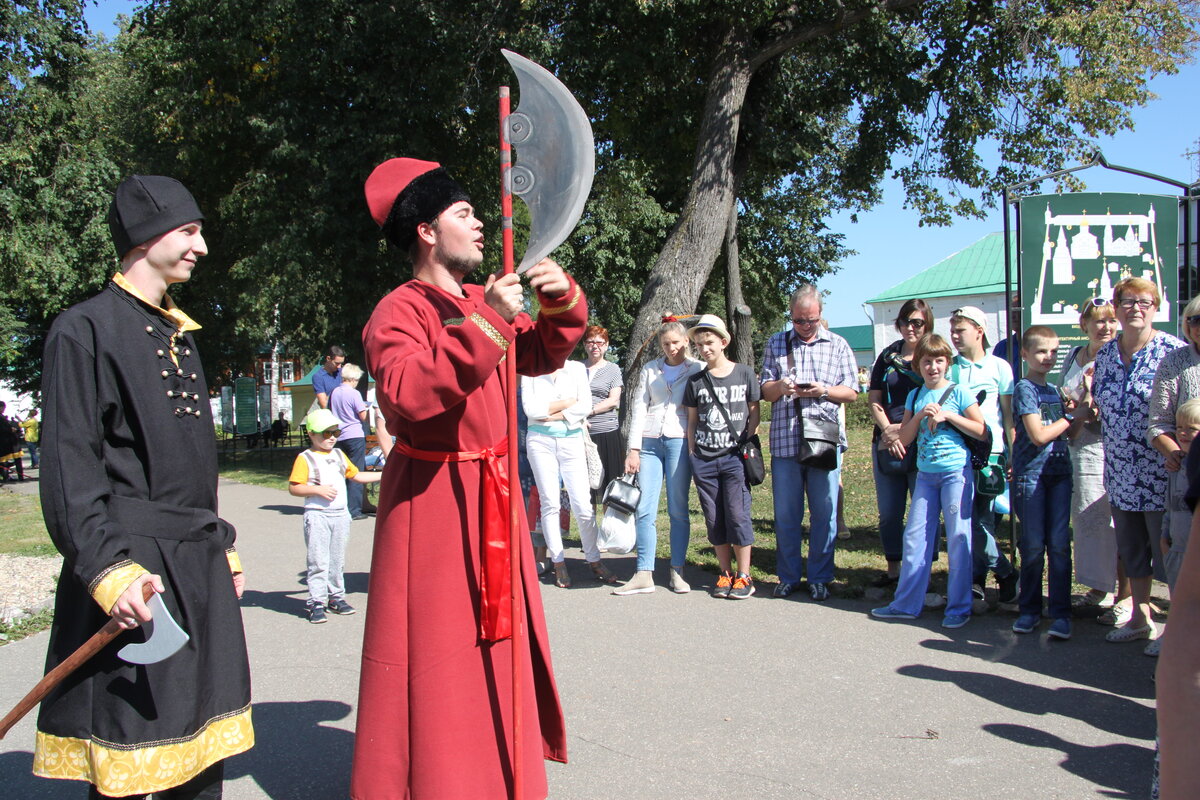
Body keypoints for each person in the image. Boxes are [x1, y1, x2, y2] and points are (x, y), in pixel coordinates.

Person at [355, 157, 584, 798]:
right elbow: (406, 392)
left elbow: (539, 351)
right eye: (464, 214)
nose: (482, 224)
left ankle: (497, 777)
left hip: (493, 496)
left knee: (497, 649)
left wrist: (559, 300)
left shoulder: (485, 303)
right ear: (427, 231)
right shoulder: (397, 309)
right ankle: (441, 780)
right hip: (430, 505)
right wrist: (486, 320)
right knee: (439, 659)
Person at [34, 175, 252, 798]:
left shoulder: (180, 335)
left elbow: (191, 467)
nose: (201, 247)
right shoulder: (83, 330)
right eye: (189, 231)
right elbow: (71, 469)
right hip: (133, 569)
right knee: (131, 755)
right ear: (144, 235)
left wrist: (222, 544)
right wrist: (109, 571)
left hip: (195, 563)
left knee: (200, 749)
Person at [1092, 277, 1185, 644]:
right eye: (1127, 301)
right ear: (1115, 308)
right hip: (1120, 473)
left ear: (1156, 308)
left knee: (1169, 555)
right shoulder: (1105, 356)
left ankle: (1176, 631)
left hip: (1164, 473)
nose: (1135, 308)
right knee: (1132, 552)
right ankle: (1139, 619)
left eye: (1144, 302)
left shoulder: (1173, 352)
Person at [870, 333, 985, 628]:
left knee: (958, 538)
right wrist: (921, 414)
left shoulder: (960, 391)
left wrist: (949, 416)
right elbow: (905, 438)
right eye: (926, 361)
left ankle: (959, 608)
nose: (933, 367)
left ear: (947, 363)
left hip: (955, 474)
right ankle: (906, 604)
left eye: (938, 361)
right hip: (925, 474)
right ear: (919, 365)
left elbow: (980, 430)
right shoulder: (915, 395)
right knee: (915, 536)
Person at [760, 284, 859, 601]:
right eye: (798, 320)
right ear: (791, 316)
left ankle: (820, 576)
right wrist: (782, 386)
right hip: (786, 441)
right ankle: (788, 576)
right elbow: (765, 391)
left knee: (824, 513)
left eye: (811, 320)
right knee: (787, 515)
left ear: (820, 315)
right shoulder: (777, 342)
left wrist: (823, 391)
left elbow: (853, 392)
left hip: (823, 439)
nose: (804, 326)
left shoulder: (838, 344)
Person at [618, 318, 703, 595]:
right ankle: (644, 571)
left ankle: (677, 570)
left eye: (676, 343)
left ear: (686, 342)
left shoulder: (697, 369)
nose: (671, 348)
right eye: (666, 344)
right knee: (645, 508)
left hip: (680, 440)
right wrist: (633, 448)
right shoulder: (650, 369)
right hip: (650, 441)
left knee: (679, 509)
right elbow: (639, 407)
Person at [682, 315, 761, 599]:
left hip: (734, 458)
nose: (704, 349)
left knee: (738, 515)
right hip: (704, 460)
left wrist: (746, 443)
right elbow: (692, 419)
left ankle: (744, 575)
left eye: (710, 343)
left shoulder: (744, 373)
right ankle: (724, 573)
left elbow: (754, 411)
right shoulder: (696, 381)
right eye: (700, 345)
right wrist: (693, 452)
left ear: (724, 342)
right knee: (714, 518)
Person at [521, 361, 618, 588]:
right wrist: (567, 404)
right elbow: (531, 411)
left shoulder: (575, 369)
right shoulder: (532, 369)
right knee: (550, 504)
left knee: (583, 504)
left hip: (572, 440)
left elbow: (584, 405)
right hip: (540, 441)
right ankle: (558, 561)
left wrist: (553, 413)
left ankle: (594, 558)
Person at [1059, 298, 1126, 616]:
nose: (1107, 327)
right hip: (1079, 445)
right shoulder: (1074, 355)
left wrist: (1093, 400)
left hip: (1112, 447)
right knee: (1087, 518)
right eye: (1099, 321)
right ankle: (1099, 586)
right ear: (1084, 324)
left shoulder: (1119, 356)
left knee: (1115, 520)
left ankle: (1124, 595)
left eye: (1112, 320)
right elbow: (1063, 396)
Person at [948, 305, 1018, 607]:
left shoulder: (1000, 367)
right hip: (957, 452)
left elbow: (1007, 416)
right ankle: (1001, 572)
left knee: (983, 520)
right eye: (952, 329)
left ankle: (981, 578)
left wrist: (1013, 453)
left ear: (979, 330)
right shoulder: (950, 367)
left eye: (960, 329)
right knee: (970, 519)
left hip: (992, 454)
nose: (954, 335)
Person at [1010, 326, 1078, 639]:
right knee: (1035, 545)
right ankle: (1030, 610)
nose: (1047, 357)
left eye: (1052, 351)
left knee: (1060, 545)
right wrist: (1070, 420)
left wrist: (1081, 412)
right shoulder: (1025, 388)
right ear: (1024, 354)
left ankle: (1061, 612)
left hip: (1060, 472)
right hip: (1032, 476)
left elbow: (1070, 435)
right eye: (1040, 351)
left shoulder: (1055, 390)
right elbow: (1038, 436)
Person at [289, 408, 381, 623]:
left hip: (341, 515)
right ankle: (316, 602)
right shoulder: (306, 458)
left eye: (335, 433)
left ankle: (336, 597)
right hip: (318, 515)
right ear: (311, 433)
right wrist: (316, 490)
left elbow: (356, 475)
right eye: (325, 433)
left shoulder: (339, 455)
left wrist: (384, 475)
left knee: (337, 559)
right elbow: (294, 487)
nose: (331, 438)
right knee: (318, 561)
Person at [867, 298, 932, 585]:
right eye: (905, 322)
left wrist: (907, 432)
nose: (910, 328)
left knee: (924, 511)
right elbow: (874, 398)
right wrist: (888, 432)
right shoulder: (887, 356)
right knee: (889, 512)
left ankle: (923, 573)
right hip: (886, 441)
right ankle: (893, 569)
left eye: (917, 322)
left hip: (923, 442)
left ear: (926, 323)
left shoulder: (933, 354)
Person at [1153, 397, 1200, 658]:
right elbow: (1169, 505)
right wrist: (1164, 536)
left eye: (1192, 428)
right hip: (1175, 548)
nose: (1183, 433)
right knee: (1178, 605)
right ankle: (1176, 653)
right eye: (1180, 427)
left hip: (1194, 551)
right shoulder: (1175, 465)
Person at [580, 325, 624, 504]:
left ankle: (609, 530)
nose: (595, 346)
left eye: (599, 342)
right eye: (590, 342)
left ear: (606, 345)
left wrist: (587, 412)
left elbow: (613, 400)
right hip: (581, 434)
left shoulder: (613, 369)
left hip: (607, 434)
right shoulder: (576, 368)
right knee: (586, 492)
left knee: (609, 489)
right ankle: (590, 532)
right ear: (584, 345)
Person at [329, 363, 370, 520]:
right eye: (357, 379)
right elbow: (363, 416)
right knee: (356, 472)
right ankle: (354, 510)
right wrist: (366, 409)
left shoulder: (334, 392)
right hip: (354, 434)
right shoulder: (354, 394)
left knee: (342, 471)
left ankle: (342, 505)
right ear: (353, 379)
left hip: (339, 435)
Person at [0, 400, 24, 481]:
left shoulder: (2, 417)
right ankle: (8, 476)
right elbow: (3, 429)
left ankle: (7, 476)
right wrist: (11, 429)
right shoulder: (1, 418)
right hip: (6, 442)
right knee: (5, 461)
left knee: (5, 461)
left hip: (7, 442)